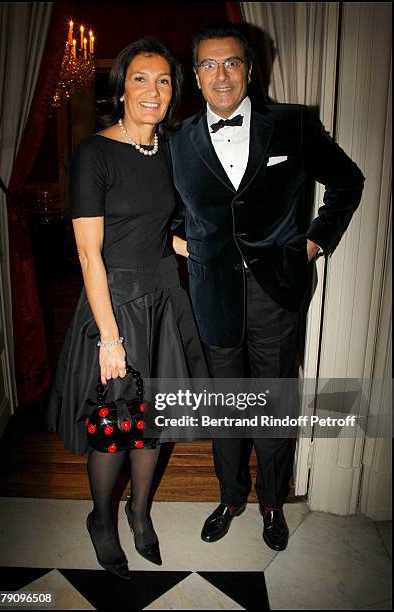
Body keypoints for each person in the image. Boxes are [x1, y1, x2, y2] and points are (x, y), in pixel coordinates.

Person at [169, 21, 365, 552]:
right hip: (213, 295)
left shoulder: (293, 125)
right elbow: (166, 211)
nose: (221, 75)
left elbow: (349, 179)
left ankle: (272, 501)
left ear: (250, 69)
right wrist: (182, 242)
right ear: (196, 74)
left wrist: (314, 242)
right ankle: (231, 495)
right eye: (208, 65)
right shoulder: (177, 138)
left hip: (277, 290)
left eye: (231, 62)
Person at [45, 38, 207, 580]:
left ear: (173, 93)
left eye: (163, 81)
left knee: (152, 424)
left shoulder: (173, 149)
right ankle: (102, 519)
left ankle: (139, 514)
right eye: (141, 78)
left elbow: (162, 229)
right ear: (121, 88)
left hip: (164, 300)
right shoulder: (94, 153)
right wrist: (109, 339)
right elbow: (89, 254)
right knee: (116, 426)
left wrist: (193, 247)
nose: (153, 90)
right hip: (115, 306)